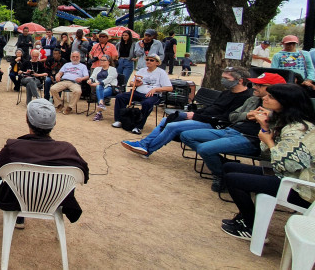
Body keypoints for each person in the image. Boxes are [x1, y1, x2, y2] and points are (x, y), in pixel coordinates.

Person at [220, 84, 315, 240]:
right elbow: (269, 154)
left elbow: (287, 164)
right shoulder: (287, 122)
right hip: (289, 176)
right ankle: (247, 218)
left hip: (301, 188)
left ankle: (252, 227)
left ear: (286, 101)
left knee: (234, 179)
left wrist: (269, 141)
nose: (264, 98)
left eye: (271, 96)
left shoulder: (298, 129)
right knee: (229, 167)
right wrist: (264, 127)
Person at [0, 99, 89, 229]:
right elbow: (84, 176)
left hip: (17, 197)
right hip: (53, 199)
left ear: (26, 119)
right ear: (55, 123)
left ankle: (19, 216)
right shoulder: (68, 150)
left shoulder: (14, 147)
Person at [180, 72, 286, 191]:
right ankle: (223, 163)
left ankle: (221, 175)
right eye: (255, 84)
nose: (254, 87)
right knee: (186, 135)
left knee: (205, 149)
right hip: (232, 130)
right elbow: (232, 116)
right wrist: (247, 115)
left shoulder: (283, 110)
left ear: (275, 89)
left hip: (250, 139)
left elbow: (277, 135)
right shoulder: (253, 99)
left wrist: (267, 120)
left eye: (259, 85)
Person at [121, 67, 252, 162]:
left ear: (240, 80)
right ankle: (144, 145)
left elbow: (226, 117)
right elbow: (212, 108)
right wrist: (194, 113)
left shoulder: (244, 97)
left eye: (226, 78)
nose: (223, 81)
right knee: (167, 120)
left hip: (215, 124)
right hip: (203, 116)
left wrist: (196, 116)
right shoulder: (226, 92)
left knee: (173, 127)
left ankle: (148, 149)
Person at [111, 53, 172, 134]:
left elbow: (170, 88)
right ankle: (119, 120)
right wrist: (135, 84)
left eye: (151, 60)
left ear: (157, 63)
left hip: (152, 95)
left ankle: (138, 126)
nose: (148, 61)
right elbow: (132, 83)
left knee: (147, 103)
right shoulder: (141, 70)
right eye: (147, 59)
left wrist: (156, 89)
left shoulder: (161, 72)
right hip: (138, 92)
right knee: (120, 97)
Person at [88, 56, 118, 121]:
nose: (101, 61)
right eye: (101, 60)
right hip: (99, 87)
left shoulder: (113, 69)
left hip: (110, 87)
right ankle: (101, 105)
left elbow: (109, 79)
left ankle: (99, 113)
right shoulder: (97, 69)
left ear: (109, 62)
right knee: (99, 89)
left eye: (104, 60)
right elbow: (93, 76)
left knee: (99, 92)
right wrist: (90, 80)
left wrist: (98, 83)